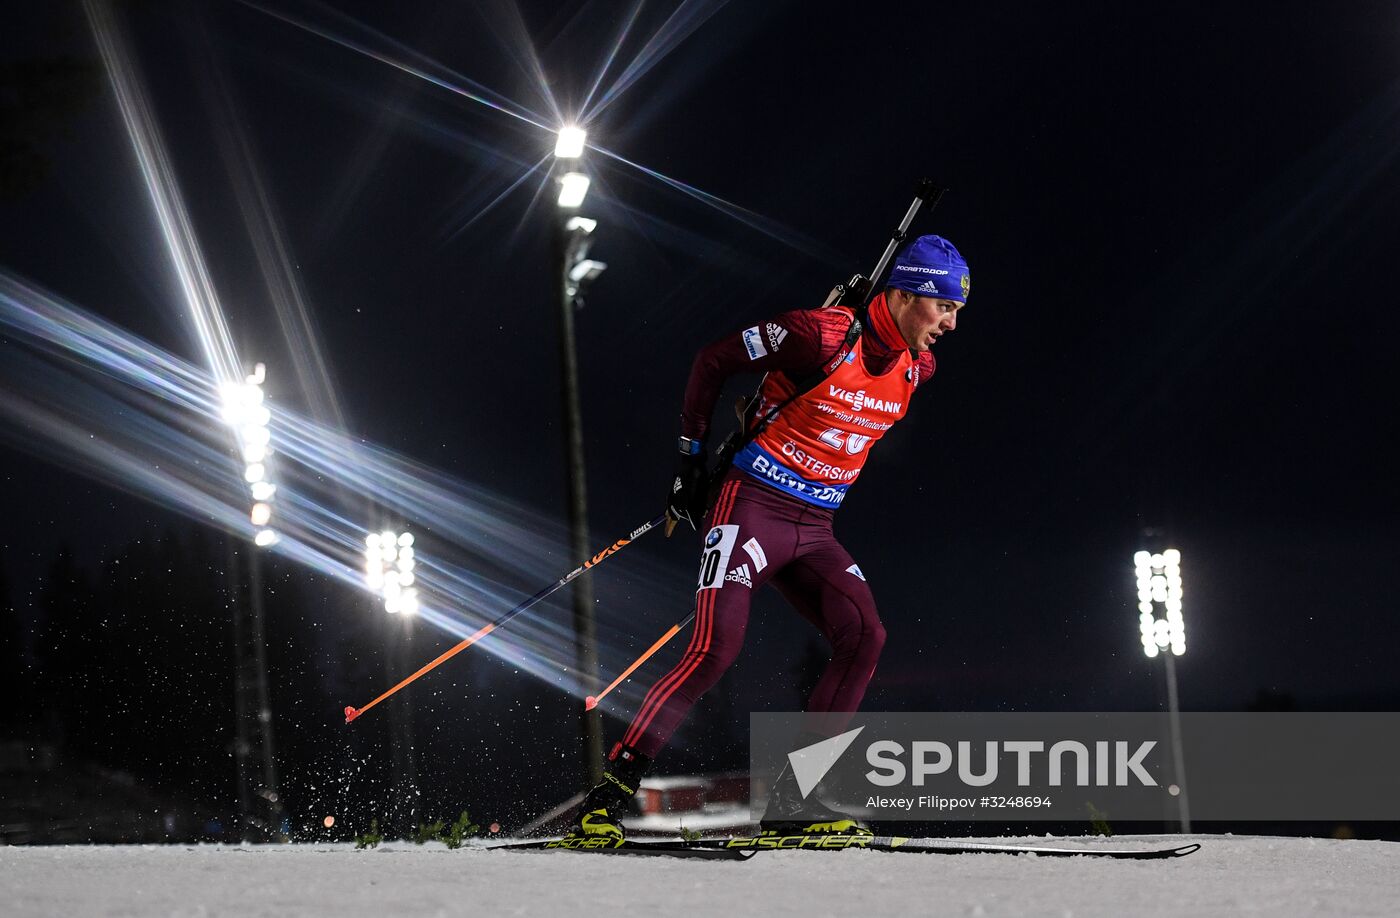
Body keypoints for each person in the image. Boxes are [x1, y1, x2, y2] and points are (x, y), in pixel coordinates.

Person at [573, 234, 970, 840]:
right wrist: (689, 462)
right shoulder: (820, 334)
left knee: (865, 635)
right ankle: (608, 796)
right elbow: (713, 360)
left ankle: (795, 806)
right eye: (943, 306)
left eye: (957, 312)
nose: (950, 323)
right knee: (715, 650)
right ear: (904, 292)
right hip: (750, 507)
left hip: (814, 528)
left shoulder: (919, 366)